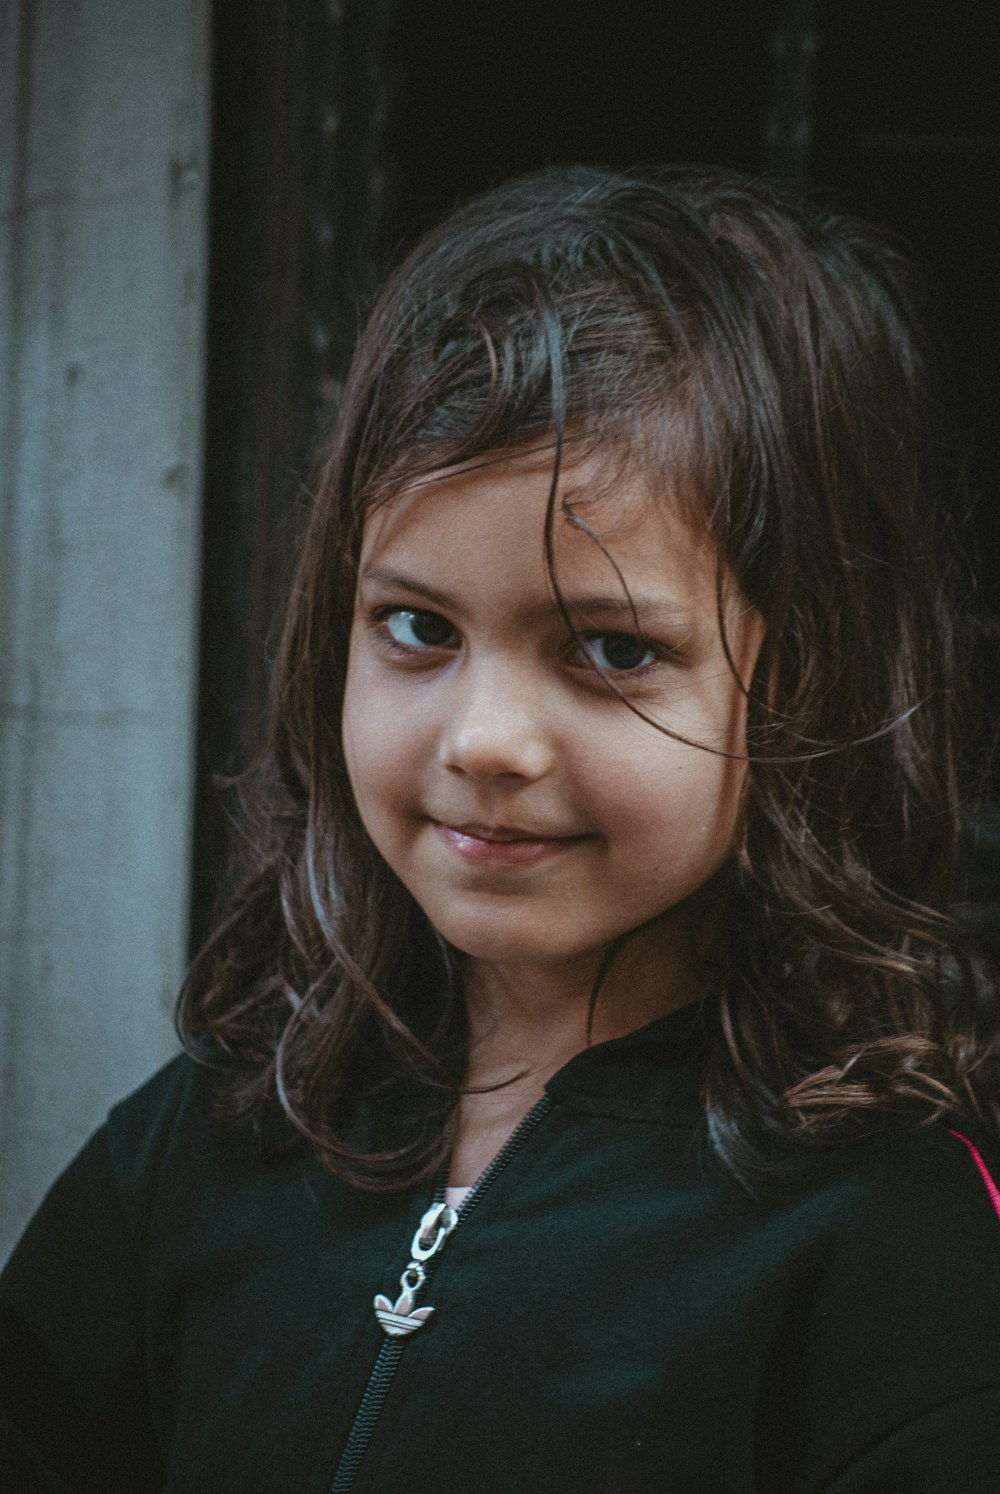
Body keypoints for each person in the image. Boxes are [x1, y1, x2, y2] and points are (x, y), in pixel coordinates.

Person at [2, 165, 999, 1494]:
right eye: (418, 626)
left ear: (801, 685)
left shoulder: (881, 1245)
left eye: (606, 646)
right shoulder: (226, 1122)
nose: (482, 739)